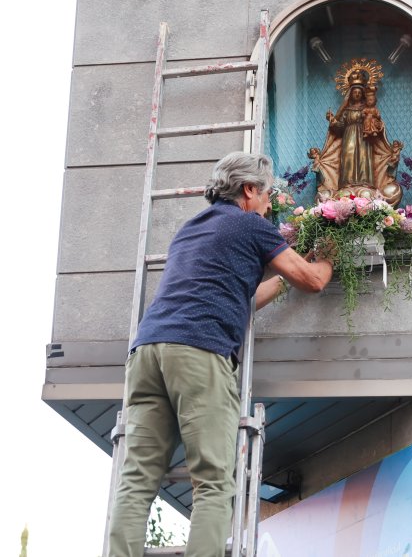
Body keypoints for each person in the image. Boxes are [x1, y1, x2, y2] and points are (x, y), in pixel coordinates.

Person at [106, 151, 333, 557]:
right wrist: (332, 253)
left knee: (137, 480)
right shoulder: (250, 225)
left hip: (147, 351)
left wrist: (281, 276)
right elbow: (313, 281)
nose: (270, 204)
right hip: (198, 351)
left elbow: (241, 296)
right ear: (248, 191)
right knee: (213, 482)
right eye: (267, 195)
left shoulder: (191, 229)